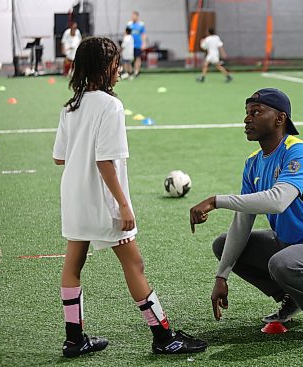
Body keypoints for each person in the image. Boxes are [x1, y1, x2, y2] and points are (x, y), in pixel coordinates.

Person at [52, 36, 207, 358]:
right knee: (134, 264)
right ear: (104, 67)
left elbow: (60, 158)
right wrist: (123, 204)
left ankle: (74, 339)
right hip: (103, 201)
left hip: (74, 197)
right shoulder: (110, 105)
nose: (120, 69)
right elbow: (105, 161)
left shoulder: (72, 106)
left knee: (73, 264)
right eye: (116, 64)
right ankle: (163, 336)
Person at [190, 88, 303, 346]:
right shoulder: (253, 162)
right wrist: (222, 275)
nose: (247, 119)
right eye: (246, 113)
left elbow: (277, 201)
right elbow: (243, 220)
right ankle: (292, 297)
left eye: (256, 112)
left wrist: (216, 200)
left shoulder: (298, 151)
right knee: (223, 245)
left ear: (280, 119)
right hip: (289, 246)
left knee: (283, 262)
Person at [127, 11, 146, 77]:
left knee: (137, 58)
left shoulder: (141, 25)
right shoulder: (129, 24)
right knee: (129, 58)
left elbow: (143, 34)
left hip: (138, 44)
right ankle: (130, 72)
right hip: (130, 44)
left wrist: (143, 43)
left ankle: (136, 72)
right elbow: (126, 33)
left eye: (134, 16)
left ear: (137, 16)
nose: (133, 17)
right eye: (132, 16)